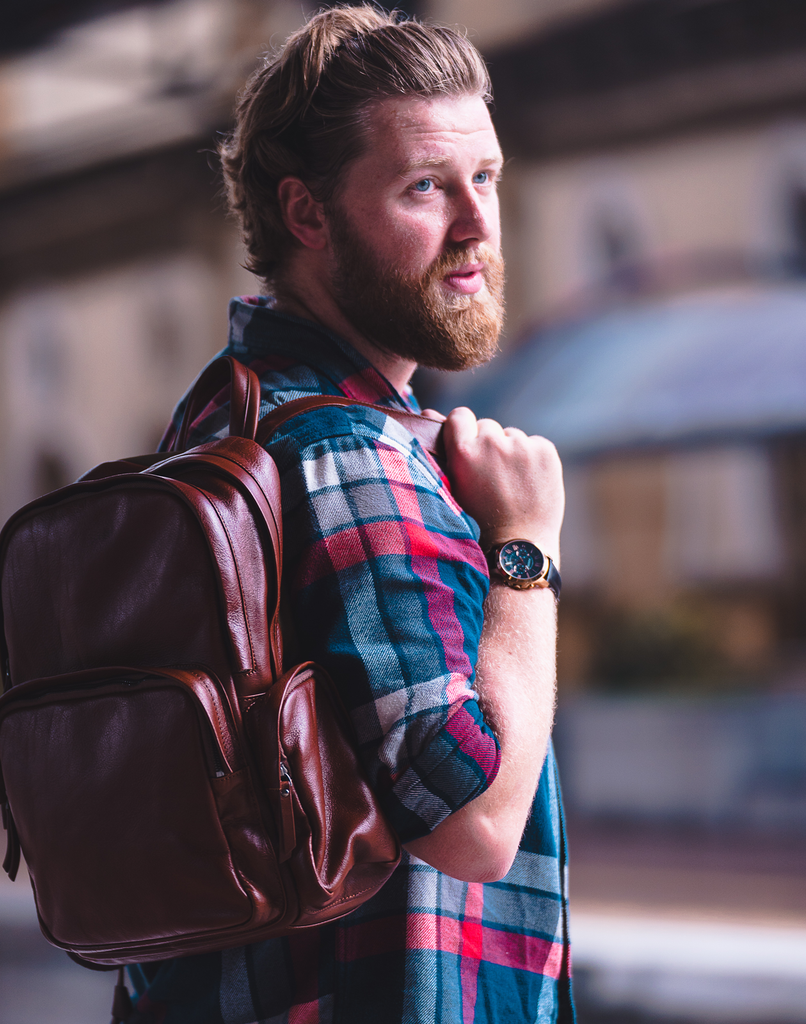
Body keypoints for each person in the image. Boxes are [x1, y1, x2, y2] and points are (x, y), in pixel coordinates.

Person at [141, 7, 571, 1023]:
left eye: (487, 178)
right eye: (424, 185)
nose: (474, 223)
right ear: (307, 212)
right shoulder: (348, 448)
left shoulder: (220, 414)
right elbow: (470, 828)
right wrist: (527, 547)